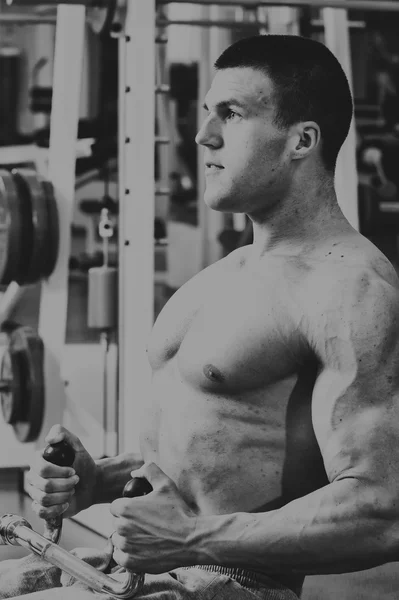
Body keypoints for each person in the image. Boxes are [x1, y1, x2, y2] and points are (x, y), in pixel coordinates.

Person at [2, 33, 399, 600]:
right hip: (147, 568)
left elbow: (383, 510)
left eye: (231, 115)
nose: (202, 136)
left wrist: (193, 539)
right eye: (206, 113)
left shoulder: (352, 290)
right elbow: (218, 451)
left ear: (301, 140)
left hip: (230, 583)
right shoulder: (227, 274)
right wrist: (98, 480)